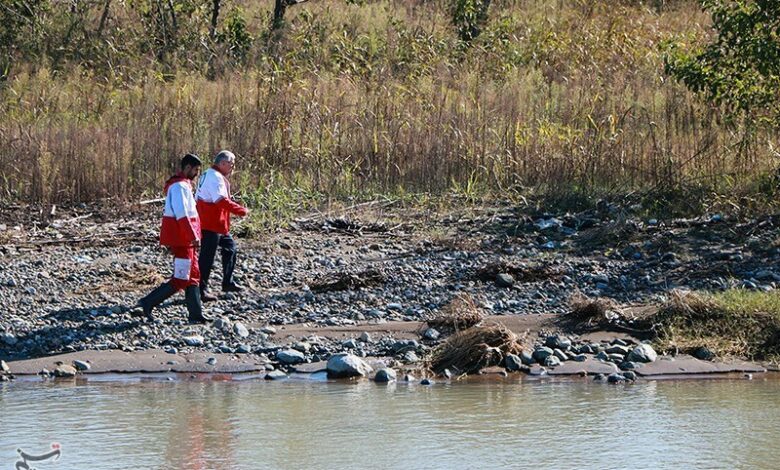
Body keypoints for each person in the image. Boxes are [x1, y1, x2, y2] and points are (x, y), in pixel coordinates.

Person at [137, 153, 210, 323]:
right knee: (181, 278)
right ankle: (147, 302)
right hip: (182, 239)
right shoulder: (179, 187)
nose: (197, 174)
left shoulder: (183, 185)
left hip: (185, 239)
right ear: (188, 168)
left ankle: (196, 315)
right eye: (196, 170)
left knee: (193, 275)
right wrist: (193, 236)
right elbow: (182, 214)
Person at [195, 150, 249, 301]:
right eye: (231, 164)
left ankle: (227, 282)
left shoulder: (209, 174)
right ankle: (201, 290)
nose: (233, 167)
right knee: (207, 258)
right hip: (210, 223)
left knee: (230, 249)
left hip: (217, 224)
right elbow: (220, 200)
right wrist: (241, 210)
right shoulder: (215, 177)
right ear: (223, 163)